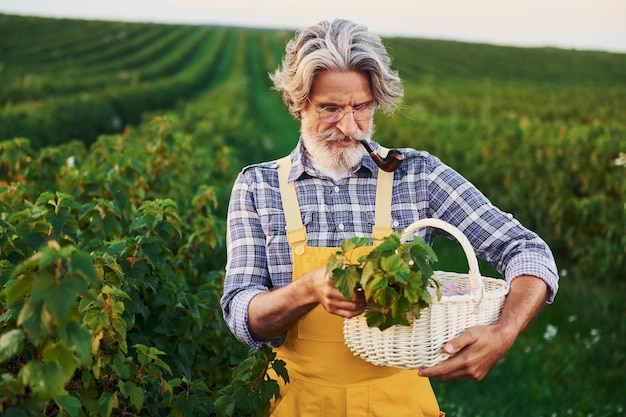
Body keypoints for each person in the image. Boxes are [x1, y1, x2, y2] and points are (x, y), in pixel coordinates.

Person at [221, 18, 559, 417]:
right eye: (330, 108)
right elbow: (241, 312)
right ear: (298, 105)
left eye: (360, 107)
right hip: (294, 401)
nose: (349, 126)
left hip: (397, 402)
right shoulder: (258, 187)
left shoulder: (418, 176)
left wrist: (503, 333)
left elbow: (526, 249)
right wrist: (308, 289)